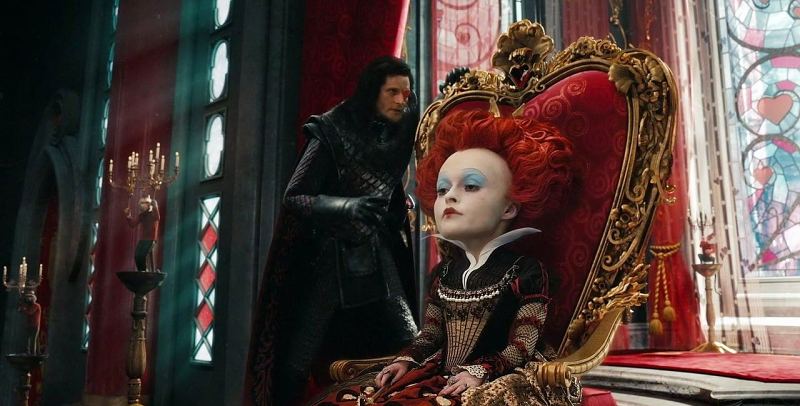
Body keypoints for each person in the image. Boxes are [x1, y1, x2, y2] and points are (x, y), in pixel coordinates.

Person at [314, 110, 581, 405]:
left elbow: (523, 345)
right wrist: (405, 360)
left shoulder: (526, 272)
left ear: (509, 207)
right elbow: (430, 335)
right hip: (441, 373)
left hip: (497, 378)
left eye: (471, 186)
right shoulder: (444, 273)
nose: (449, 197)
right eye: (442, 189)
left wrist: (481, 371)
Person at [245, 56, 420, 406]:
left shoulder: (398, 129)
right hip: (330, 256)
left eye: (406, 93)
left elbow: (385, 184)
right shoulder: (332, 129)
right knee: (299, 357)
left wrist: (400, 206)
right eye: (392, 92)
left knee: (410, 339)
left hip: (376, 249)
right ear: (372, 92)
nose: (402, 100)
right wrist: (347, 206)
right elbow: (295, 196)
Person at [125, 195, 160, 272]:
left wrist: (155, 206)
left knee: (142, 255)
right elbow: (133, 224)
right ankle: (142, 271)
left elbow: (157, 217)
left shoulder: (153, 213)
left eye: (144, 203)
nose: (141, 205)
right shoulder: (142, 215)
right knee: (137, 255)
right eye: (141, 203)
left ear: (148, 204)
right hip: (143, 239)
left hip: (151, 239)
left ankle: (144, 271)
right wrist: (128, 216)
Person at [18, 291, 42, 355]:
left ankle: (32, 354)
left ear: (33, 298)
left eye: (30, 297)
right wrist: (22, 307)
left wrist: (23, 309)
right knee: (31, 339)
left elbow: (30, 312)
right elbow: (23, 311)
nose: (28, 299)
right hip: (30, 325)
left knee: (33, 340)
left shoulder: (36, 305)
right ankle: (34, 352)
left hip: (35, 325)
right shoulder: (29, 306)